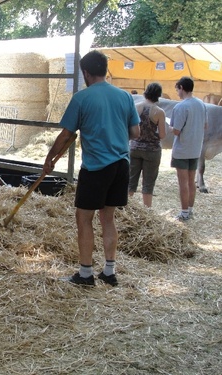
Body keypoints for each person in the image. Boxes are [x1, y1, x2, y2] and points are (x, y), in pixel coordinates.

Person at [43, 50, 140, 287]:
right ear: (105, 70)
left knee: (84, 218)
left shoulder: (82, 98)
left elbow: (66, 134)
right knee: (108, 218)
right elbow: (135, 133)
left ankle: (85, 274)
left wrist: (49, 158)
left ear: (85, 72)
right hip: (121, 165)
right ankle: (109, 271)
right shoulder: (125, 97)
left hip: (96, 167)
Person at [170, 77, 207, 221]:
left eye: (177, 89)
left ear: (181, 87)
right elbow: (205, 126)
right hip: (196, 148)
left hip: (182, 150)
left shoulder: (180, 107)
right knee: (192, 181)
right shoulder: (201, 104)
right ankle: (190, 209)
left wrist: (169, 127)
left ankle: (184, 212)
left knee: (183, 183)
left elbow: (176, 131)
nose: (177, 93)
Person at [128, 83, 166, 207]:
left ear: (146, 93)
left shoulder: (136, 107)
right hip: (152, 150)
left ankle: (125, 207)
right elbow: (162, 135)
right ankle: (147, 210)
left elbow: (129, 128)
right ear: (158, 96)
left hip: (134, 147)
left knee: (130, 181)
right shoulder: (159, 112)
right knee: (148, 184)